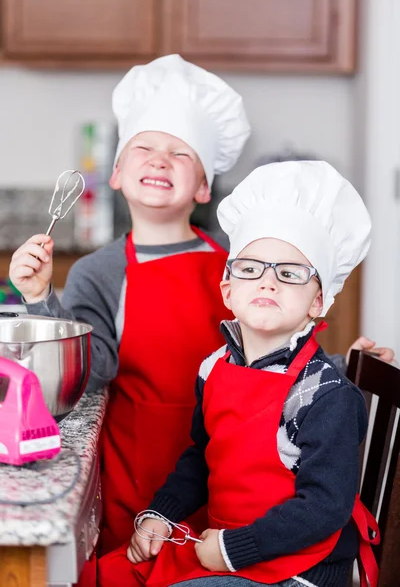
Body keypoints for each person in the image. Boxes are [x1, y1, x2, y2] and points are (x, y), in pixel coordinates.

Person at [9, 56, 392, 558]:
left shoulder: (242, 267)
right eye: (143, 147)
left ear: (206, 186)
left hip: (237, 488)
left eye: (181, 152)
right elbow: (92, 370)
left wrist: (339, 369)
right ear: (118, 172)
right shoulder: (97, 273)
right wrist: (40, 297)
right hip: (143, 484)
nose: (160, 159)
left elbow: (271, 361)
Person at [98, 161, 379, 587]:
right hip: (228, 546)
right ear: (228, 290)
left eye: (289, 273)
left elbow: (325, 506)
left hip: (300, 569)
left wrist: (233, 549)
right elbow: (201, 457)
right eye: (250, 268)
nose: (268, 282)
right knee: (107, 575)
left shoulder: (325, 394)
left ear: (318, 301)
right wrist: (161, 514)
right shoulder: (214, 369)